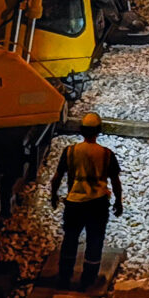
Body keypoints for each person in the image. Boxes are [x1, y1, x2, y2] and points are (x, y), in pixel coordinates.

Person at [48, 112, 123, 285]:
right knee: (95, 239)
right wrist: (119, 201)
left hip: (75, 202)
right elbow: (115, 181)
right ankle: (88, 278)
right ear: (99, 130)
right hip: (97, 203)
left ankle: (65, 275)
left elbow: (56, 178)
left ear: (81, 130)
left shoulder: (70, 152)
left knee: (70, 237)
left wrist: (54, 196)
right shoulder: (106, 154)